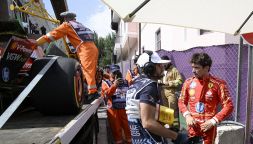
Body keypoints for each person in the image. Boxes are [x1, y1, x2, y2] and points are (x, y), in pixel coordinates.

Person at [125, 51, 187, 144]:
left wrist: (168, 118)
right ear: (150, 68)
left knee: (171, 116)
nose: (163, 68)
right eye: (159, 65)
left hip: (138, 139)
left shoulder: (135, 85)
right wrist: (176, 136)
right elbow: (148, 123)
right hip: (151, 140)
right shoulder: (149, 86)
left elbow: (150, 109)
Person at [35, 11, 99, 99]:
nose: (64, 21)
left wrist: (36, 43)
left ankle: (93, 93)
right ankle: (89, 91)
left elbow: (52, 35)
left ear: (66, 19)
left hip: (85, 50)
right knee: (88, 71)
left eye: (64, 19)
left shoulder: (67, 25)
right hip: (93, 48)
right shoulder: (79, 25)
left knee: (88, 71)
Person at [178, 52, 234, 144]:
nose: (193, 70)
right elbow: (181, 101)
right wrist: (187, 116)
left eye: (197, 68)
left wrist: (213, 121)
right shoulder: (188, 82)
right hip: (193, 128)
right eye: (192, 67)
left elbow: (229, 106)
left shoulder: (219, 84)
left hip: (208, 129)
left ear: (206, 68)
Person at [101, 65, 131, 144]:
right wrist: (114, 85)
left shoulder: (126, 82)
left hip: (125, 110)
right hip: (113, 111)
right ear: (109, 73)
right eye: (114, 72)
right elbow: (106, 95)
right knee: (116, 130)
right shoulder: (106, 83)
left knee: (128, 129)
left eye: (117, 72)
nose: (116, 74)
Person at [158, 55, 183, 129]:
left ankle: (175, 128)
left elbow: (180, 81)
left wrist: (169, 83)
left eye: (164, 64)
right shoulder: (162, 70)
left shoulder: (174, 70)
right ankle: (167, 126)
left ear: (168, 63)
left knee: (172, 109)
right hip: (162, 91)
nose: (163, 65)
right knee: (165, 110)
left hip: (171, 91)